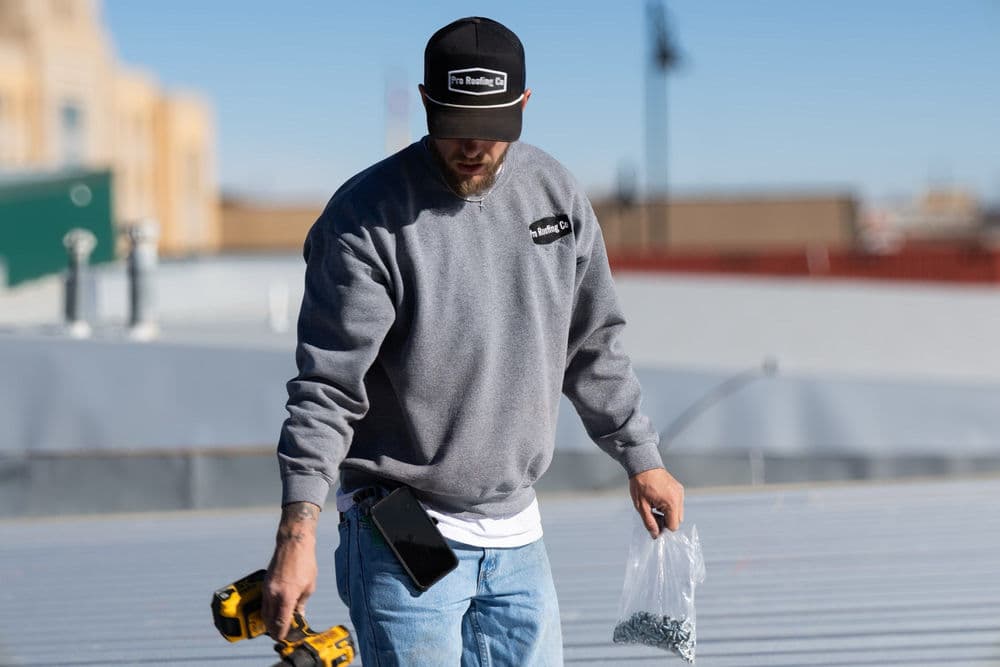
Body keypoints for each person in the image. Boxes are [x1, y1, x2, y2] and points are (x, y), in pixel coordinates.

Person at [262, 16, 685, 666]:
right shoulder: (366, 219)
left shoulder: (555, 197)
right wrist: (297, 534)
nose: (473, 145)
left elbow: (593, 342)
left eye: (492, 126)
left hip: (517, 532)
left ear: (524, 104)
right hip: (403, 521)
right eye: (455, 123)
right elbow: (328, 389)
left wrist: (642, 457)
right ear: (426, 101)